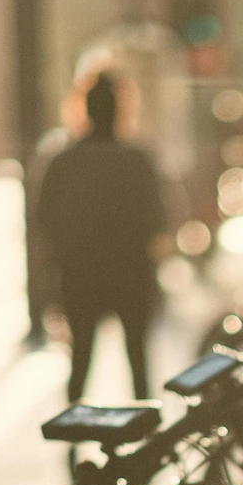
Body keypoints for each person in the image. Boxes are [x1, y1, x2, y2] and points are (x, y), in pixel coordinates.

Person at [37, 72, 168, 404]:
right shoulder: (137, 161)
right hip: (131, 272)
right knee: (138, 361)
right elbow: (158, 220)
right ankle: (146, 439)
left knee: (80, 359)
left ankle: (72, 438)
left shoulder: (63, 163)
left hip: (80, 274)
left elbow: (45, 221)